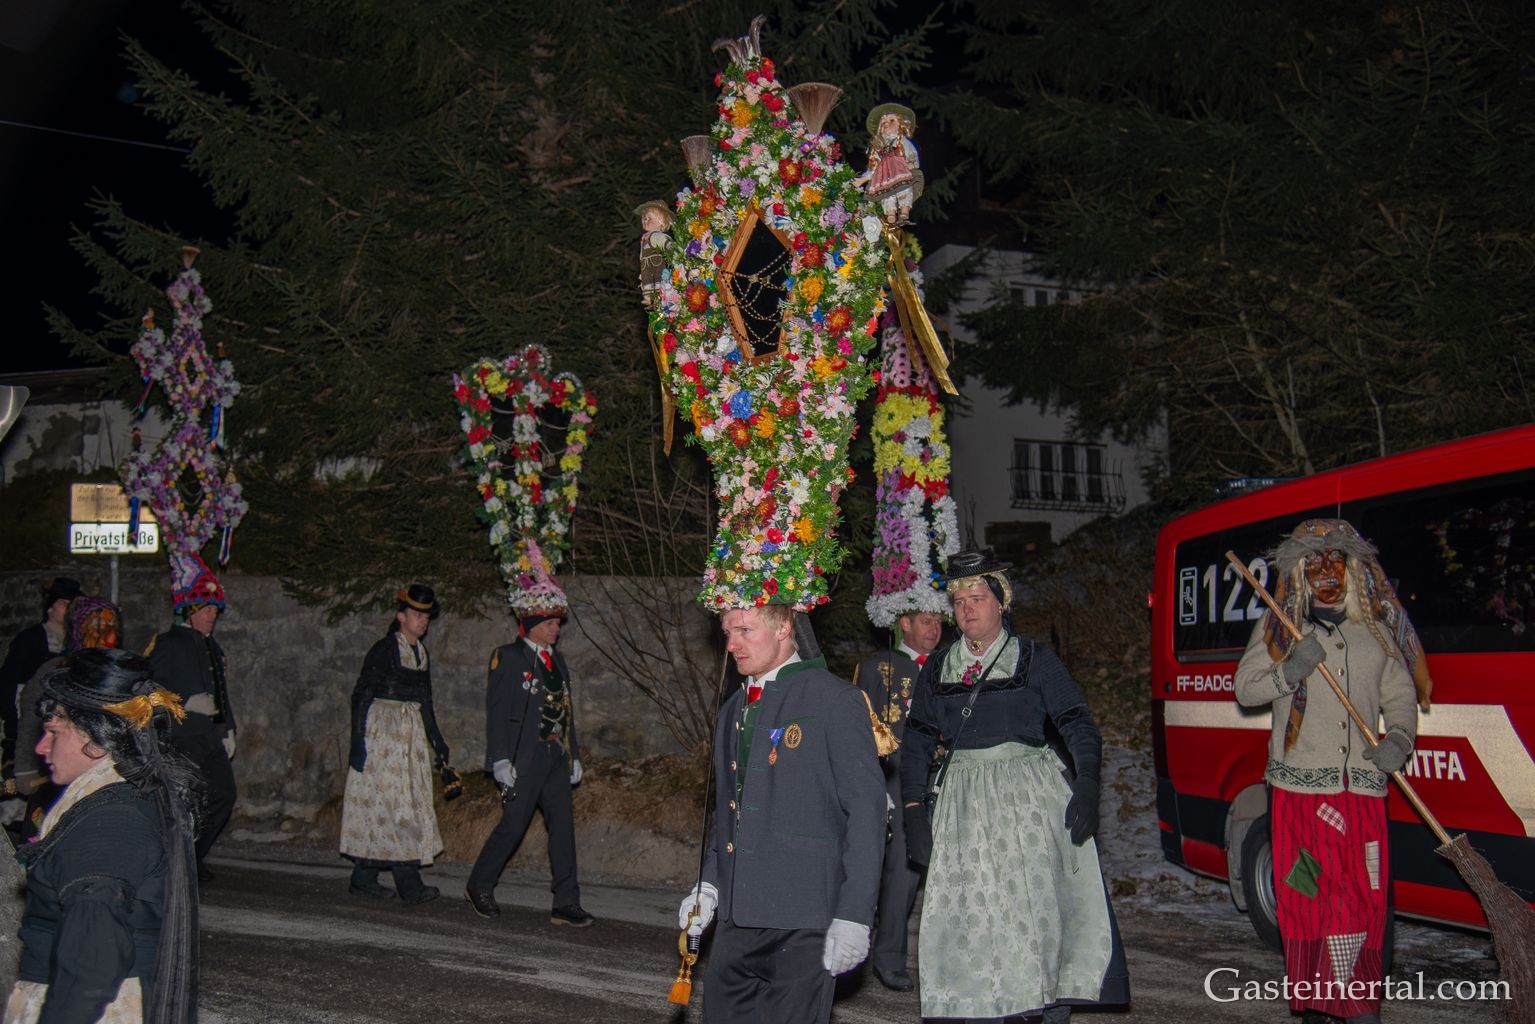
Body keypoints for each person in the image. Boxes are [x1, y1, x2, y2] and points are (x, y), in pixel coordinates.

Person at [899, 547, 1130, 1023]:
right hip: (963, 809)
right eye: (959, 601)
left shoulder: (1035, 659)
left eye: (978, 598)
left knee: (1035, 913)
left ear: (1001, 602)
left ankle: (1046, 1009)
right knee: (973, 919)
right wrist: (913, 809)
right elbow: (917, 742)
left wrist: (1088, 782)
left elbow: (1077, 724)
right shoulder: (938, 668)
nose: (967, 610)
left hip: (1028, 804)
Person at [1235, 520, 1427, 1024]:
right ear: (1299, 570)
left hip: (1363, 794)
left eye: (1335, 560)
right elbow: (1246, 689)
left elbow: (1400, 696)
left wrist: (1399, 739)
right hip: (1299, 796)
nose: (1325, 570)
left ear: (1353, 568)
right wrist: (1289, 670)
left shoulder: (1376, 631)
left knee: (1365, 903)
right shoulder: (1280, 625)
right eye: (1314, 561)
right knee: (1310, 901)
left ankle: (1361, 1007)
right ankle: (1319, 1008)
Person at [677, 604, 886, 1024]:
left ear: (784, 629)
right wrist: (709, 885)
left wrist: (854, 915)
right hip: (738, 917)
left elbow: (867, 813)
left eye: (744, 630)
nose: (731, 644)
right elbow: (730, 809)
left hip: (806, 918)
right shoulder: (732, 709)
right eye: (727, 632)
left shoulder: (835, 699)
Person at [7, 647, 199, 1024]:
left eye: (53, 733)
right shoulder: (122, 799)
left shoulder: (109, 823)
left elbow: (92, 963)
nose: (41, 748)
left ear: (96, 741)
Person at [466, 600, 593, 926]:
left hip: (555, 755)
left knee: (562, 827)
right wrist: (500, 759)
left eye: (557, 623)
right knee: (513, 825)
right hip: (524, 756)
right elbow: (497, 712)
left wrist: (573, 755)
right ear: (533, 626)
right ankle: (479, 884)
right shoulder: (508, 657)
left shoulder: (557, 660)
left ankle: (566, 900)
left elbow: (566, 711)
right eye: (550, 623)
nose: (556, 629)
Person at [339, 584, 452, 906]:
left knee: (398, 806)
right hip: (383, 738)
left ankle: (363, 879)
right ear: (400, 616)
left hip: (409, 737)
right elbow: (361, 695)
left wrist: (437, 740)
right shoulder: (384, 649)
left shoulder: (421, 653)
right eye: (416, 615)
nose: (422, 621)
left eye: (426, 616)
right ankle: (409, 884)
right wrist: (358, 743)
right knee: (398, 807)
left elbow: (425, 700)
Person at [851, 608, 943, 992]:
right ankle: (886, 957)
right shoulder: (878, 667)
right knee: (899, 870)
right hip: (895, 781)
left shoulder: (951, 665)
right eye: (925, 621)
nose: (934, 629)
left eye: (938, 622)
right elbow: (860, 728)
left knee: (928, 872)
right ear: (905, 623)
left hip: (942, 780)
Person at [145, 566, 236, 882]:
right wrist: (183, 703)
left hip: (209, 736)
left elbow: (221, 692)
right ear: (191, 610)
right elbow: (150, 690)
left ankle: (193, 857)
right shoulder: (168, 643)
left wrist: (229, 727)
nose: (213, 616)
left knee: (224, 795)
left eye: (215, 611)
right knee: (186, 802)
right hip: (182, 736)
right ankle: (177, 862)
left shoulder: (212, 646)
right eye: (207, 610)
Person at [9, 596, 122, 828]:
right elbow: (31, 721)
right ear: (78, 629)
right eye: (94, 626)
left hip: (103, 780)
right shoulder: (55, 671)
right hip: (56, 778)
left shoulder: (120, 675)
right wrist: (25, 769)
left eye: (109, 627)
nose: (102, 635)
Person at [0, 577, 81, 775]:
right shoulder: (30, 639)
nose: (68, 609)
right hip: (30, 716)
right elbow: (10, 683)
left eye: (71, 604)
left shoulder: (77, 642)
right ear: (50, 607)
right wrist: (12, 726)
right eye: (62, 603)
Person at [853, 103, 923, 228]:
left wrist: (911, 163)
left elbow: (911, 153)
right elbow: (874, 168)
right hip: (885, 175)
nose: (886, 124)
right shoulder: (878, 148)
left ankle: (904, 209)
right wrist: (862, 179)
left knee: (904, 188)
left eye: (891, 120)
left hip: (900, 170)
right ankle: (890, 212)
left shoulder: (902, 142)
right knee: (887, 193)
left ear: (901, 124)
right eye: (883, 122)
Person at [635, 200, 674, 307]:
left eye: (649, 218)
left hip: (657, 264)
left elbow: (668, 245)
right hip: (646, 266)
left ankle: (659, 296)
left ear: (661, 221)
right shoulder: (644, 238)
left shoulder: (657, 236)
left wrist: (673, 250)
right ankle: (649, 298)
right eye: (644, 218)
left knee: (658, 280)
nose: (645, 221)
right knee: (647, 282)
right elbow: (642, 255)